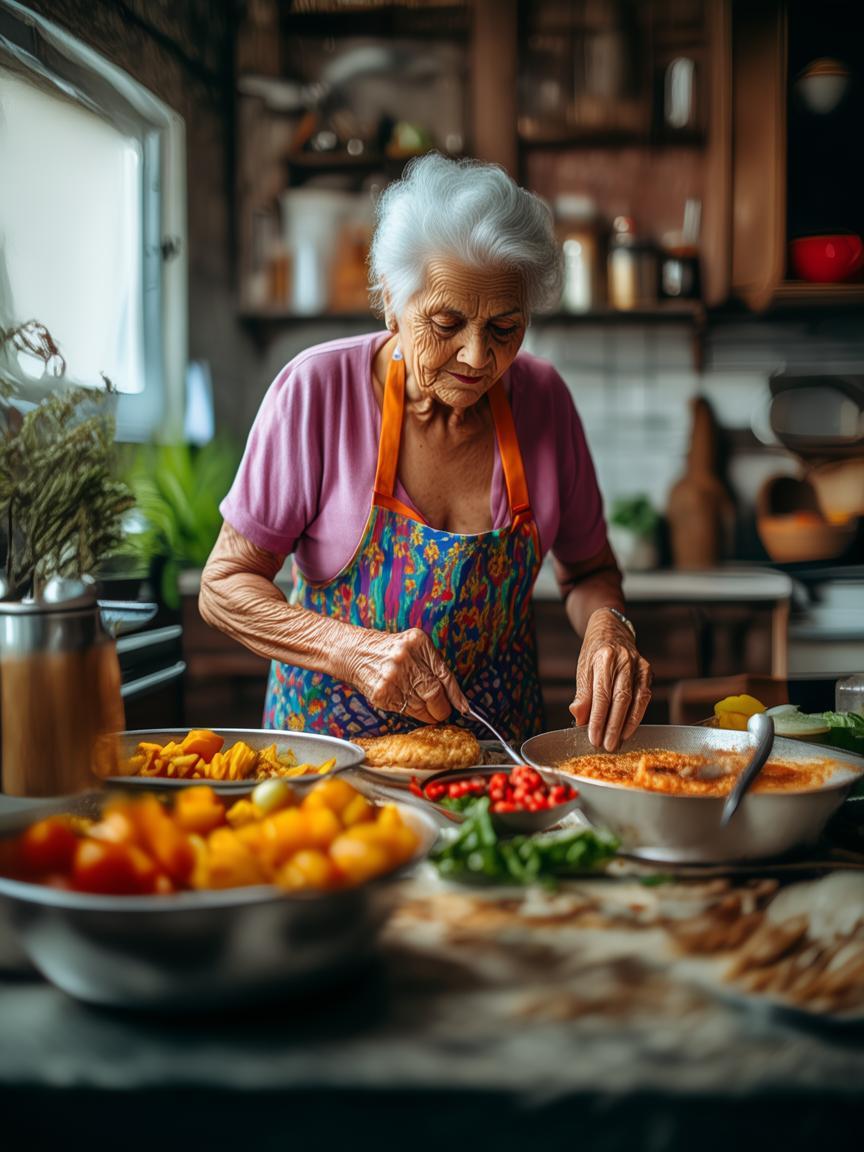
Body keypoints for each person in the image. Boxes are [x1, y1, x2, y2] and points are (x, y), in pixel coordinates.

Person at [200, 154, 652, 751]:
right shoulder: (316, 391)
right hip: (332, 769)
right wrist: (350, 649)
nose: (477, 357)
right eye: (445, 322)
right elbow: (225, 586)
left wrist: (609, 628)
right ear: (392, 300)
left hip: (495, 763)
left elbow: (590, 572)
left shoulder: (544, 400)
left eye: (504, 328)